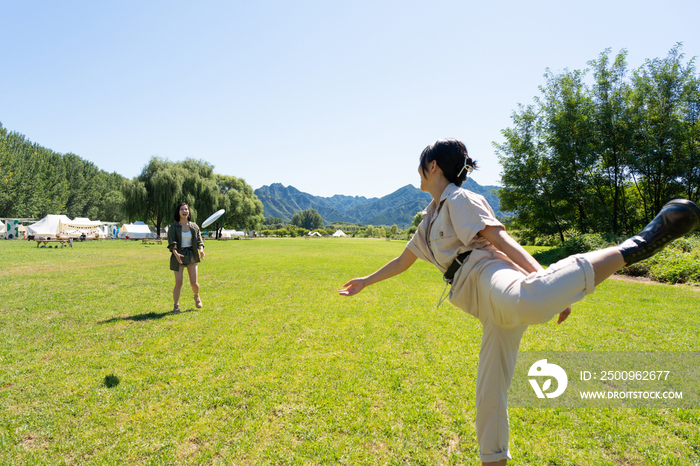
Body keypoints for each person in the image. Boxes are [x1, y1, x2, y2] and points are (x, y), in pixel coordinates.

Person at [339, 138, 700, 465]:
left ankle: (633, 247)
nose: (419, 171)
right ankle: (493, 460)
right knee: (490, 388)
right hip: (477, 297)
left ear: (433, 166)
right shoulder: (429, 217)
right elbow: (404, 260)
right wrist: (365, 282)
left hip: (487, 273)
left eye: (422, 165)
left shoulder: (459, 199)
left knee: (527, 300)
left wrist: (543, 281)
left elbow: (502, 242)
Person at [167, 202, 206, 313]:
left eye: (186, 209)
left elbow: (199, 240)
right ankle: (176, 305)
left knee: (194, 282)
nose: (184, 211)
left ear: (189, 212)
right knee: (179, 282)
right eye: (182, 209)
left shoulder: (194, 226)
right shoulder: (173, 227)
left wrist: (201, 250)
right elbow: (172, 242)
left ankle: (197, 296)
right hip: (178, 255)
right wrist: (176, 253)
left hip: (191, 255)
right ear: (178, 212)